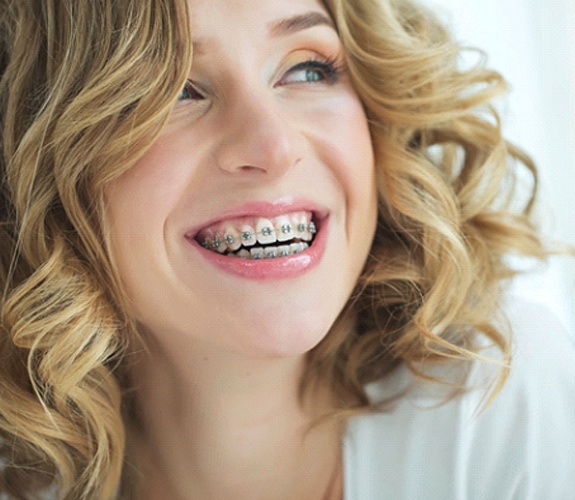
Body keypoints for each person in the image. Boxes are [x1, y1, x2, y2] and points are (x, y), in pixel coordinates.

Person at [1, 0, 574, 498]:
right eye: (175, 89)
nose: (273, 146)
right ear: (36, 165)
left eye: (307, 70)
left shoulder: (501, 403)